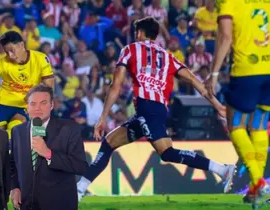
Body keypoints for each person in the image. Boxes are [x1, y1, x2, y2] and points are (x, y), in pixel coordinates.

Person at [76, 17, 237, 201]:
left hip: (147, 107)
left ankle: (222, 169)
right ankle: (79, 189)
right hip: (157, 108)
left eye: (136, 33)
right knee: (109, 142)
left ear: (139, 33)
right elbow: (195, 81)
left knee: (167, 152)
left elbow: (116, 85)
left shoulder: (130, 49)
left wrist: (103, 117)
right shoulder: (168, 56)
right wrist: (218, 105)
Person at [205, 0, 270, 204]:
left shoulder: (229, 3)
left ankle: (258, 181)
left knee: (235, 124)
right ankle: (255, 187)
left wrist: (214, 73)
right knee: (259, 126)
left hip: (246, 71)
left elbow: (225, 37)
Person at [10, 84, 88, 210]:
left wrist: (48, 154)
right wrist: (15, 187)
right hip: (26, 204)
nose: (38, 108)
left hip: (59, 204)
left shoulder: (69, 129)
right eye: (33, 104)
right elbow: (13, 164)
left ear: (52, 105)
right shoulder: (18, 131)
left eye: (43, 103)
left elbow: (80, 166)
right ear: (27, 107)